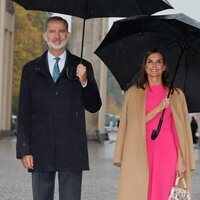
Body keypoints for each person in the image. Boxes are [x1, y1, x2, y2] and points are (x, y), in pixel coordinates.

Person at [16, 16, 102, 200]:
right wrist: (24, 150)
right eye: (52, 31)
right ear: (44, 35)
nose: (56, 36)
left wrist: (85, 81)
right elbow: (24, 113)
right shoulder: (31, 69)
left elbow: (94, 106)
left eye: (61, 31)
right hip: (40, 149)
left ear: (68, 35)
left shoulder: (83, 67)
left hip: (71, 149)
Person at [113, 49, 195, 200]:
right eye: (150, 61)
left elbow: (178, 128)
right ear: (144, 66)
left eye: (159, 62)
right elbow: (132, 125)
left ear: (164, 67)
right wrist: (158, 109)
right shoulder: (133, 93)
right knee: (141, 190)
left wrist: (181, 157)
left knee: (164, 190)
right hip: (141, 149)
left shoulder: (176, 94)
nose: (154, 65)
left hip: (168, 149)